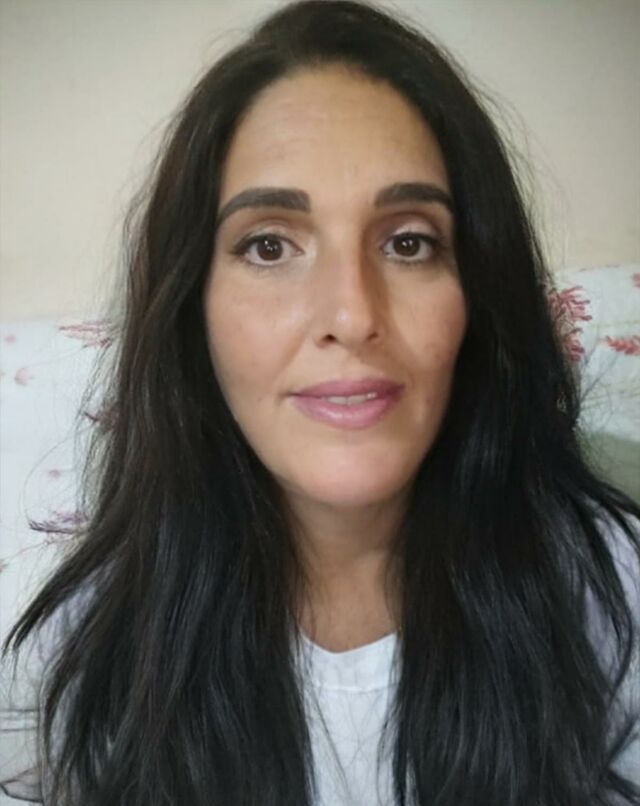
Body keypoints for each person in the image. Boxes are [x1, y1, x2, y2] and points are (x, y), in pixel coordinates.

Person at [1, 1, 639, 804]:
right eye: (269, 246)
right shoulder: (84, 646)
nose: (352, 314)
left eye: (408, 242)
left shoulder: (611, 599)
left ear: (478, 294)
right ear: (193, 309)